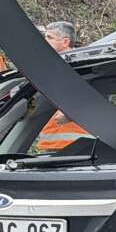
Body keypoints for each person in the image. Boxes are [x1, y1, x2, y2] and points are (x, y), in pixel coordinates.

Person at [35, 21, 92, 152]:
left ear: (65, 42)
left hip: (75, 146)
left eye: (49, 38)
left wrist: (70, 113)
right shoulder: (50, 66)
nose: (44, 41)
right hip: (51, 144)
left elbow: (94, 97)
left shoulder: (81, 65)